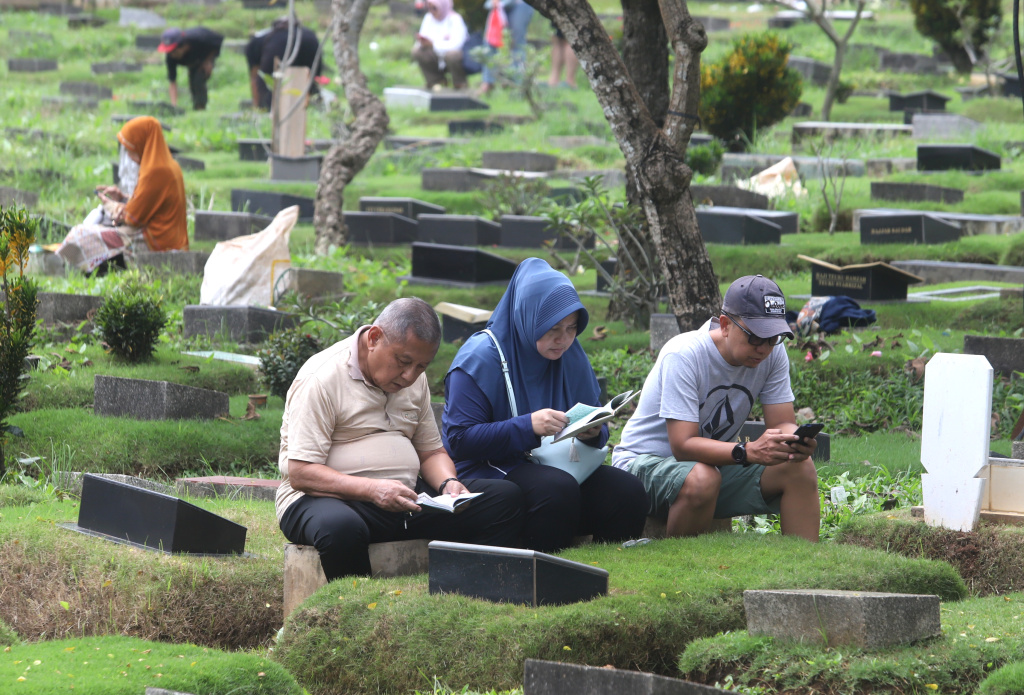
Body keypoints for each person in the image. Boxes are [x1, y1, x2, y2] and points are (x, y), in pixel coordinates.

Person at [276, 297, 524, 580]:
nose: (409, 376)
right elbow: (301, 473)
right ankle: (356, 613)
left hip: (401, 499)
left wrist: (449, 483)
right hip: (322, 499)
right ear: (374, 337)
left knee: (504, 499)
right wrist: (372, 490)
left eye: (421, 366)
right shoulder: (320, 378)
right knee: (340, 528)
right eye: (403, 362)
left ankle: (473, 591)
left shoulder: (413, 380)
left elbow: (431, 452)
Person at [443, 258, 649, 553]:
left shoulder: (571, 355)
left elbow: (594, 420)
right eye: (552, 328)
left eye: (572, 327)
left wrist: (591, 433)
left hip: (556, 463)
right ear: (528, 318)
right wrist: (528, 426)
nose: (563, 339)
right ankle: (544, 578)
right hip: (491, 467)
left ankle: (612, 576)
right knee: (556, 489)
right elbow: (460, 441)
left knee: (626, 491)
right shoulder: (481, 358)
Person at [612, 275, 821, 541]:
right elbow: (682, 446)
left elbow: (782, 423)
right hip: (644, 466)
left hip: (711, 466)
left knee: (799, 467)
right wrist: (748, 451)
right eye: (755, 337)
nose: (764, 348)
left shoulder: (773, 353)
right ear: (724, 325)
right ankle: (679, 567)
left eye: (773, 338)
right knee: (702, 478)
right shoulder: (684, 354)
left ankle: (804, 568)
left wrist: (795, 440)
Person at [56, 117, 187, 276]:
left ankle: (66, 267)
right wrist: (123, 198)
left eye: (130, 148)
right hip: (166, 237)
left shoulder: (155, 171)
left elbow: (133, 217)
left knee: (80, 234)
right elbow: (148, 203)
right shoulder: (169, 165)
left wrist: (112, 206)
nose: (129, 154)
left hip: (155, 241)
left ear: (142, 143)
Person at [246, 16, 324, 111]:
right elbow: (315, 76)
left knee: (268, 88)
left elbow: (255, 78)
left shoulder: (256, 42)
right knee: (310, 84)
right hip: (309, 43)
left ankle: (267, 109)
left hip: (278, 49)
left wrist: (258, 107)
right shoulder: (309, 35)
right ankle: (311, 108)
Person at [158, 26, 224, 111]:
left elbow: (219, 40)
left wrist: (209, 60)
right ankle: (196, 106)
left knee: (198, 78)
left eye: (174, 51)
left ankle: (200, 107)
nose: (172, 55)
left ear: (183, 46)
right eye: (169, 52)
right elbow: (172, 81)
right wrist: (173, 106)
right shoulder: (170, 57)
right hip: (192, 60)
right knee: (192, 81)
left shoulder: (199, 38)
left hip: (205, 54)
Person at [477, 0, 534, 96]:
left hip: (519, 3)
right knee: (490, 40)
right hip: (498, 3)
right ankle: (488, 82)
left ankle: (518, 85)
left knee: (517, 44)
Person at [412, 0, 469, 91]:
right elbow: (422, 38)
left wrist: (433, 44)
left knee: (452, 55)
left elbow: (457, 44)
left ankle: (460, 83)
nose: (432, 11)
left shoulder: (455, 19)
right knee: (417, 51)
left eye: (434, 8)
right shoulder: (428, 18)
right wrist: (422, 43)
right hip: (435, 55)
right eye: (429, 8)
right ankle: (436, 81)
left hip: (453, 57)